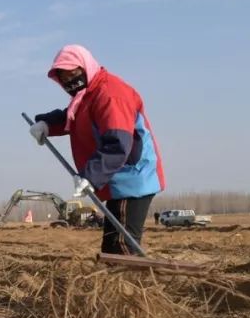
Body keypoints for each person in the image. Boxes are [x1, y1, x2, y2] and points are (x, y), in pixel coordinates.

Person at [29, 44, 164, 255]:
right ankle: (122, 284)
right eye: (63, 79)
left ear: (86, 66)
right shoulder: (89, 95)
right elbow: (71, 117)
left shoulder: (110, 94)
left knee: (121, 248)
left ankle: (132, 286)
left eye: (73, 74)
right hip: (119, 179)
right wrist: (46, 124)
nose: (69, 82)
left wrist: (90, 176)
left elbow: (118, 144)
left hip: (133, 177)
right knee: (113, 247)